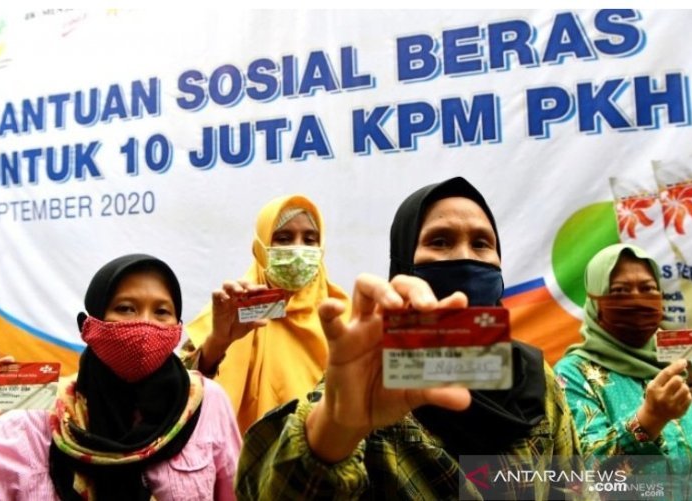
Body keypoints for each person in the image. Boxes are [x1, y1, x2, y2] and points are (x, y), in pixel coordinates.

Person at [236, 177, 582, 500]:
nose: (464, 256)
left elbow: (574, 489)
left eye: (481, 243)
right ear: (403, 262)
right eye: (440, 241)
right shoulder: (376, 379)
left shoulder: (534, 376)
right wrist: (336, 429)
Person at [0, 254, 241, 500]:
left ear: (177, 326)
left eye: (162, 311)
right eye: (126, 308)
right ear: (89, 325)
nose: (145, 324)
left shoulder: (206, 402)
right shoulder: (38, 415)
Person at [183, 194, 350, 433]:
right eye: (284, 239)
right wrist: (219, 342)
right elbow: (181, 397)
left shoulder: (342, 314)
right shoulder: (230, 309)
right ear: (260, 248)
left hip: (323, 451)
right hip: (242, 453)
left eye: (309, 240)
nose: (298, 250)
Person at [554, 243, 692, 498]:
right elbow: (582, 476)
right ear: (594, 301)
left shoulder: (681, 363)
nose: (636, 299)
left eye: (647, 288)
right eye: (620, 291)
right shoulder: (571, 375)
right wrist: (649, 420)